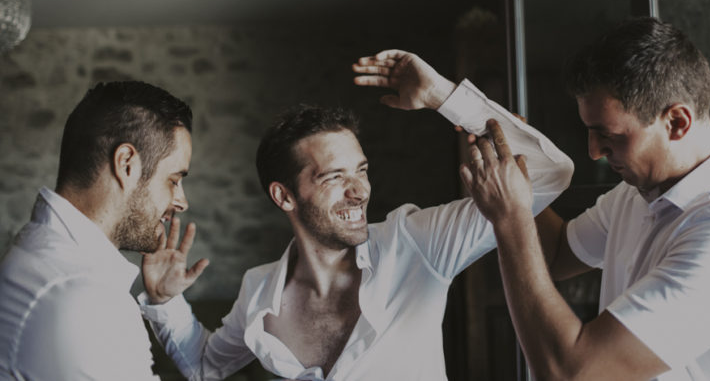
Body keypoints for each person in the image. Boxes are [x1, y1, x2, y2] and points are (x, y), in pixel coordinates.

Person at [138, 50, 574, 380]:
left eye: (361, 171)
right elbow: (204, 367)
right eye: (333, 177)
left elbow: (550, 173)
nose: (360, 190)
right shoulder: (258, 292)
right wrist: (164, 301)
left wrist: (442, 95)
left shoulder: (416, 243)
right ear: (284, 195)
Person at [463, 17, 710, 380]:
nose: (594, 152)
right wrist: (510, 163)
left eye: (608, 135)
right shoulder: (638, 194)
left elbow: (572, 373)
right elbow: (558, 253)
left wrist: (511, 218)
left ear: (676, 122)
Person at [0, 81, 204, 380]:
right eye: (173, 180)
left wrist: (163, 299)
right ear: (126, 164)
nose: (182, 201)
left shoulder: (38, 255)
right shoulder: (86, 299)